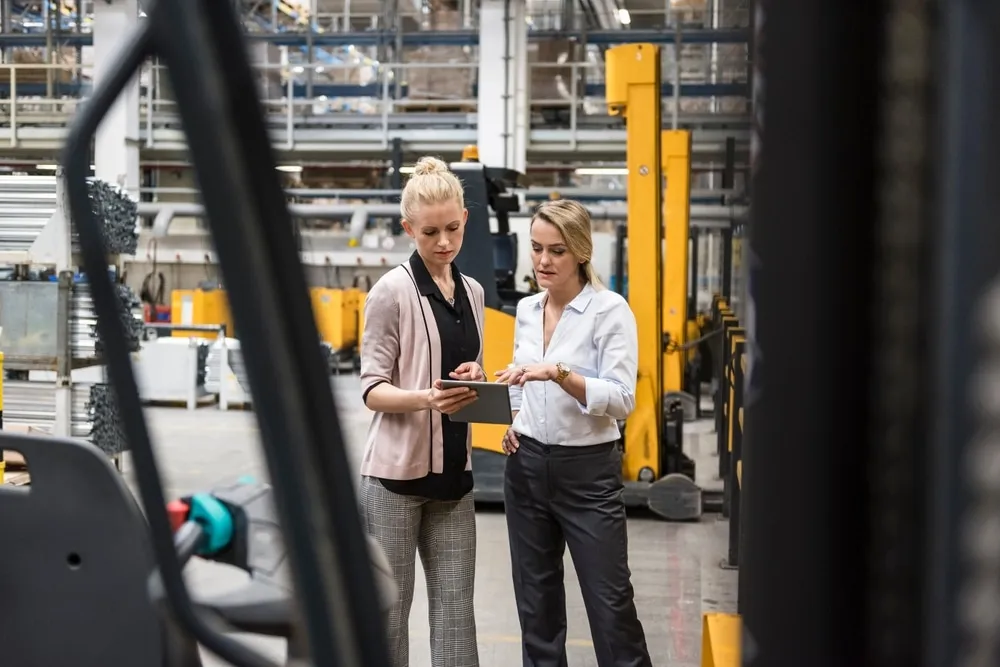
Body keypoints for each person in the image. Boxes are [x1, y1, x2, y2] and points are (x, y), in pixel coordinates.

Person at [495, 199, 652, 667]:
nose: (542, 261)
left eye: (556, 251)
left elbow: (623, 398)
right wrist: (514, 419)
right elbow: (522, 378)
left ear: (581, 251)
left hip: (587, 475)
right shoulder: (526, 309)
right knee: (536, 611)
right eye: (537, 249)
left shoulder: (609, 310)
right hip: (525, 470)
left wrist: (559, 372)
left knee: (610, 606)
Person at [359, 155, 486, 667]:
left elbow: (469, 365)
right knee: (389, 614)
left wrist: (477, 374)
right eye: (430, 232)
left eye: (453, 229)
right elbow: (371, 389)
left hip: (454, 478)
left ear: (465, 221)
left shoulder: (474, 293)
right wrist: (425, 399)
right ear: (408, 228)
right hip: (393, 482)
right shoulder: (390, 292)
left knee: (456, 613)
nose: (443, 243)